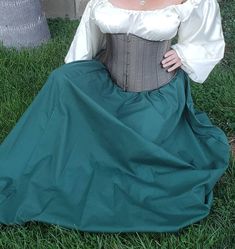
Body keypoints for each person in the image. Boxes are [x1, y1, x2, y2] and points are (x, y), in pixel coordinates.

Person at [0, 0, 231, 233]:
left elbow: (207, 41)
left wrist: (184, 53)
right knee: (61, 80)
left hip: (157, 95)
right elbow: (86, 41)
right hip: (108, 86)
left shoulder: (190, 1)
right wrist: (79, 85)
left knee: (141, 157)